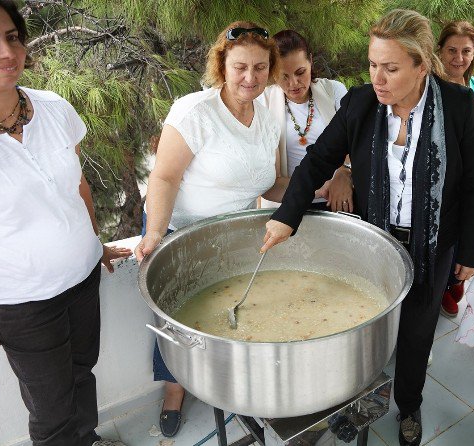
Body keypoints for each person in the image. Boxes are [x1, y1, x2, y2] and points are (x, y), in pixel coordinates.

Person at [260, 10, 474, 446]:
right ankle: (356, 401)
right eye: (372, 65)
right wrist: (285, 216)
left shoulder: (458, 107)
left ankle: (408, 404)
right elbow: (317, 162)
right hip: (374, 240)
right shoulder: (362, 104)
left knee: (418, 333)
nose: (378, 78)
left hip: (432, 243)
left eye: (391, 68)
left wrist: (470, 253)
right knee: (363, 325)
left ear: (421, 65)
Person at [0, 2, 132, 445]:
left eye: (12, 37)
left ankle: (88, 440)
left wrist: (95, 243)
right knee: (50, 412)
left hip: (82, 277)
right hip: (22, 301)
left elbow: (77, 184)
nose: (6, 51)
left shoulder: (52, 107)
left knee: (82, 374)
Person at [133, 21, 283, 438]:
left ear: (270, 68)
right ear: (222, 65)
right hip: (179, 230)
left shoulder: (268, 118)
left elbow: (268, 182)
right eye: (240, 67)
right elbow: (164, 178)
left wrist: (322, 181)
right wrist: (155, 235)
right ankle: (174, 391)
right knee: (178, 317)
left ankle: (224, 383)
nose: (250, 77)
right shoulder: (194, 111)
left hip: (231, 234)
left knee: (225, 308)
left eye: (259, 67)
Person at [258, 30, 353, 211]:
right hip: (285, 203)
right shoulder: (263, 102)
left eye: (300, 72)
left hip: (335, 201)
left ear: (310, 61)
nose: (293, 83)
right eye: (283, 76)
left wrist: (344, 172)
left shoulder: (334, 91)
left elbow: (354, 143)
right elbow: (266, 175)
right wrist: (319, 189)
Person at [435, 20, 474, 318]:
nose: (459, 58)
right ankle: (441, 289)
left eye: (466, 51)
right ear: (439, 51)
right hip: (443, 177)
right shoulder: (432, 86)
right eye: (452, 50)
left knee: (462, 231)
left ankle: (454, 278)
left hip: (469, 176)